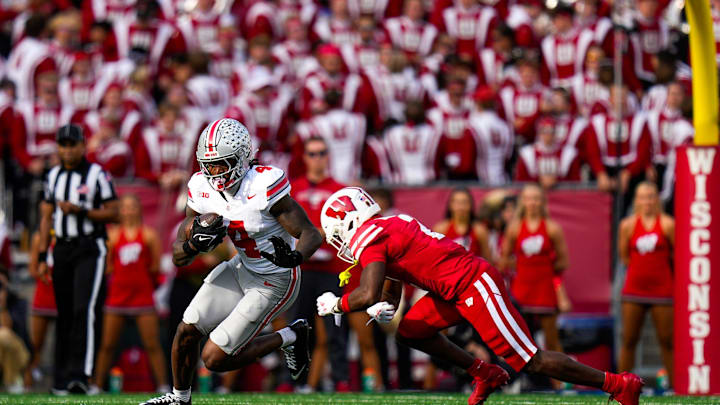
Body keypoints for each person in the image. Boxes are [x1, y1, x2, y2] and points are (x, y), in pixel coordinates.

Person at [316, 186, 642, 405]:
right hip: (451, 290)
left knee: (530, 360)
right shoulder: (390, 223)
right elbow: (392, 277)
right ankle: (483, 372)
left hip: (473, 284)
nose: (341, 242)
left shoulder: (373, 235)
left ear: (349, 220)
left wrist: (338, 304)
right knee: (410, 330)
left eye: (337, 234)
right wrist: (389, 303)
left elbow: (367, 292)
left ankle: (617, 384)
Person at [140, 118, 323, 405]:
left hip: (275, 279)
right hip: (241, 268)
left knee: (214, 358)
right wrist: (191, 244)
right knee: (187, 329)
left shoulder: (263, 184)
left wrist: (296, 256)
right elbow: (179, 255)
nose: (212, 173)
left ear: (240, 158)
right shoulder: (201, 186)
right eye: (208, 164)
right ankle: (179, 399)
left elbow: (310, 233)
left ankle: (290, 336)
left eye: (220, 164)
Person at [37, 124, 120, 394]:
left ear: (83, 146)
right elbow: (46, 216)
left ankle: (82, 376)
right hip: (61, 248)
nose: (67, 150)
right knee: (64, 313)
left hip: (89, 247)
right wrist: (41, 254)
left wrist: (81, 211)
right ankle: (60, 378)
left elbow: (113, 212)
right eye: (63, 145)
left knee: (84, 310)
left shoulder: (97, 174)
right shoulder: (53, 176)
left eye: (72, 144)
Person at [289, 136, 351, 391]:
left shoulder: (340, 189)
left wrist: (315, 233)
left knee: (335, 328)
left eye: (321, 153)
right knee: (297, 328)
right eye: (312, 154)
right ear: (305, 158)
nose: (317, 158)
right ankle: (292, 379)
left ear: (328, 156)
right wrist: (315, 234)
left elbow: (347, 226)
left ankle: (340, 379)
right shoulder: (293, 188)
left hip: (330, 269)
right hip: (303, 268)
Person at [92, 194, 169, 393]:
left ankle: (162, 385)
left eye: (133, 206)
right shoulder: (113, 235)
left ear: (139, 210)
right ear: (121, 211)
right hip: (117, 297)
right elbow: (107, 267)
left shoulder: (150, 235)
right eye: (125, 207)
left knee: (152, 344)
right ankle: (97, 386)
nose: (129, 211)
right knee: (107, 345)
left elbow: (155, 267)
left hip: (142, 297)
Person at [499, 184, 570, 387]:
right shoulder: (514, 227)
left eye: (537, 198)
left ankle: (561, 384)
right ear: (523, 202)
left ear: (543, 202)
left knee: (552, 340)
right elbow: (503, 260)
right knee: (520, 341)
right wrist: (522, 265)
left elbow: (564, 261)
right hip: (522, 290)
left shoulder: (552, 227)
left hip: (545, 290)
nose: (533, 203)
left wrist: (543, 267)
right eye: (529, 199)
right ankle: (518, 383)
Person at [617, 182, 674, 384]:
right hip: (634, 289)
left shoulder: (668, 224)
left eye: (650, 196)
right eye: (642, 196)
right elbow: (624, 256)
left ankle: (677, 387)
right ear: (636, 200)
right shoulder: (627, 225)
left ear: (656, 199)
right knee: (629, 339)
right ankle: (622, 385)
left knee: (668, 341)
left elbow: (676, 255)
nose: (647, 200)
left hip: (663, 290)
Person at [26, 232, 57, 388]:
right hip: (43, 296)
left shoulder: (68, 235)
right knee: (35, 346)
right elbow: (32, 269)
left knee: (64, 347)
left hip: (62, 298)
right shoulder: (38, 237)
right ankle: (27, 385)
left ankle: (61, 385)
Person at [433, 187, 491, 260]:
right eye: (457, 203)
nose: (461, 207)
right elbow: (434, 259)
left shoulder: (479, 230)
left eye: (464, 202)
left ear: (471, 205)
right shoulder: (441, 229)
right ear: (450, 205)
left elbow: (488, 261)